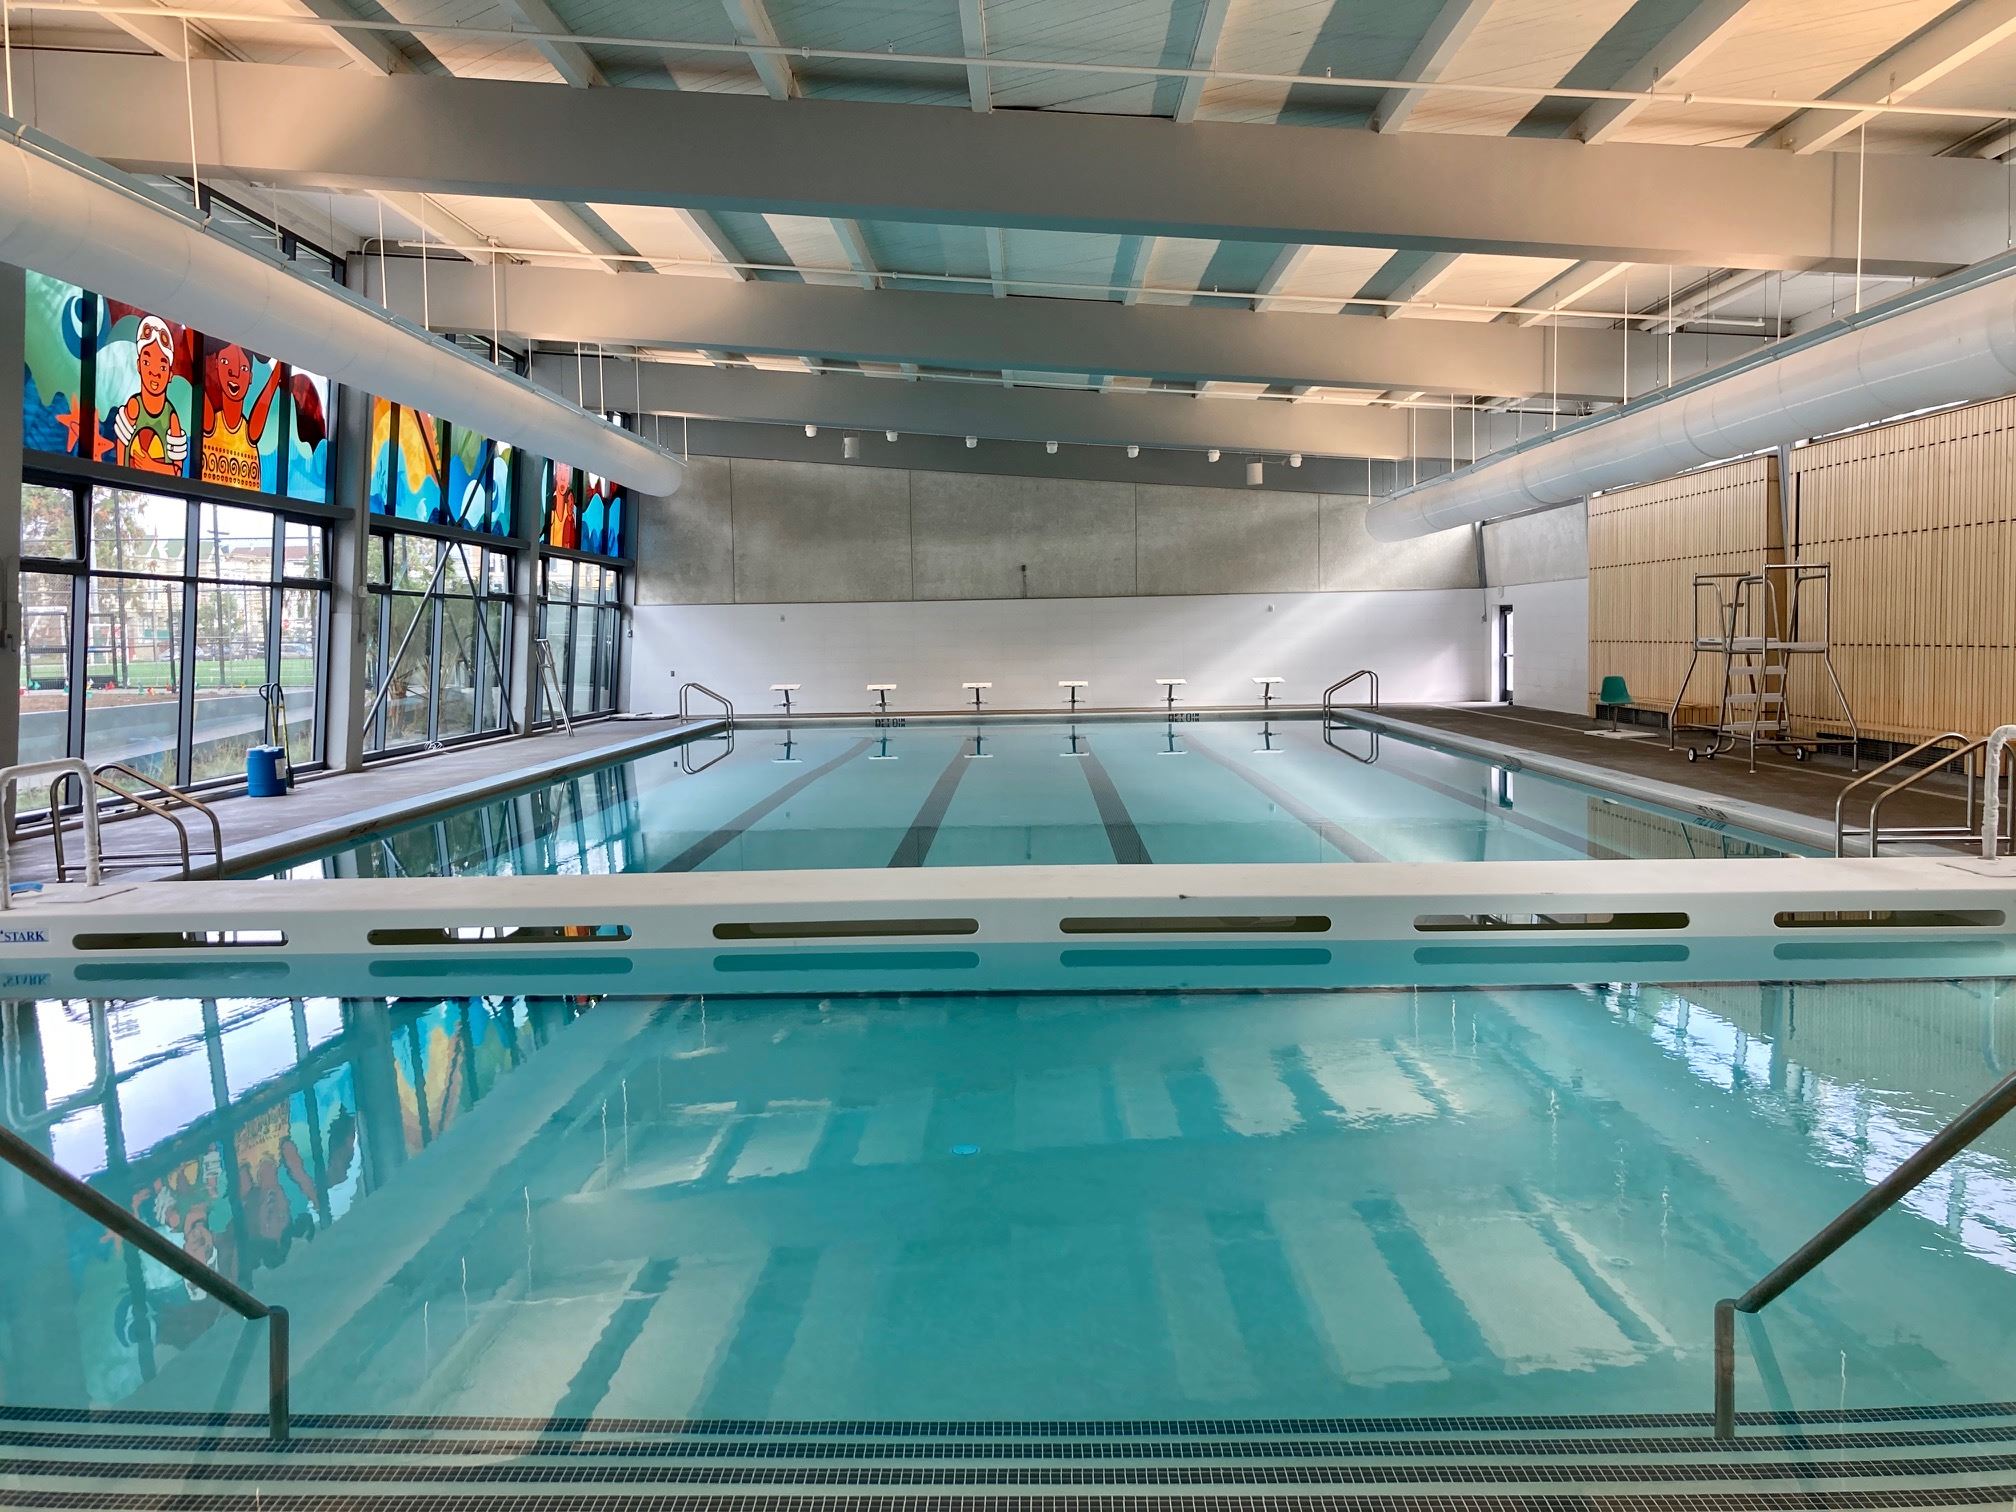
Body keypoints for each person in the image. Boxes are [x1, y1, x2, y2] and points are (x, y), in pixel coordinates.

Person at [114, 316, 188, 476]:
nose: (155, 373)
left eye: (162, 366)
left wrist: (152, 465)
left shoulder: (172, 418)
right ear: (139, 365)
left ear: (170, 374)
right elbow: (120, 465)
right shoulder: (133, 407)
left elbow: (178, 473)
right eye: (147, 362)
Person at [201, 342, 281, 490]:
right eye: (225, 362)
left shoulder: (249, 431)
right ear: (217, 366)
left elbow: (271, 388)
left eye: (243, 368)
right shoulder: (212, 423)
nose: (234, 373)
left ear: (250, 377)